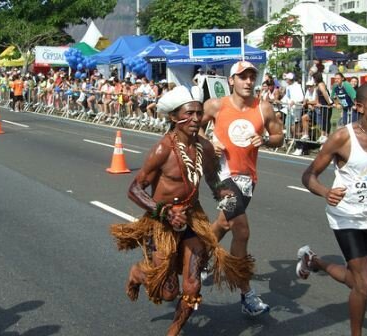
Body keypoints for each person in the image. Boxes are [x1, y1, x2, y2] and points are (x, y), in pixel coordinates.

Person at [110, 85, 254, 336]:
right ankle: (138, 273)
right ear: (174, 118)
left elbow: (213, 179)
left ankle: (174, 331)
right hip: (162, 221)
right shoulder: (162, 149)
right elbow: (135, 189)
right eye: (189, 114)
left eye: (199, 113)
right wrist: (164, 213)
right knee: (167, 292)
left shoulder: (205, 148)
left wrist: (231, 204)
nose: (196, 119)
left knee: (192, 285)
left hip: (192, 218)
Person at [298, 82, 367, 336]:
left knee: (356, 280)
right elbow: (308, 175)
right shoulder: (343, 137)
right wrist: (327, 192)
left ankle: (313, 261)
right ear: (359, 107)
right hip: (345, 215)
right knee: (366, 282)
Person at [200, 61, 284, 316]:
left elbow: (280, 136)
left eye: (252, 77)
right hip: (220, 174)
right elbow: (193, 130)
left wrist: (267, 140)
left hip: (248, 178)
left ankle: (200, 255)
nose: (248, 82)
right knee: (242, 231)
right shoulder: (215, 105)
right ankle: (246, 294)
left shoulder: (264, 108)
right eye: (243, 77)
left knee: (225, 223)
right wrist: (208, 142)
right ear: (231, 81)